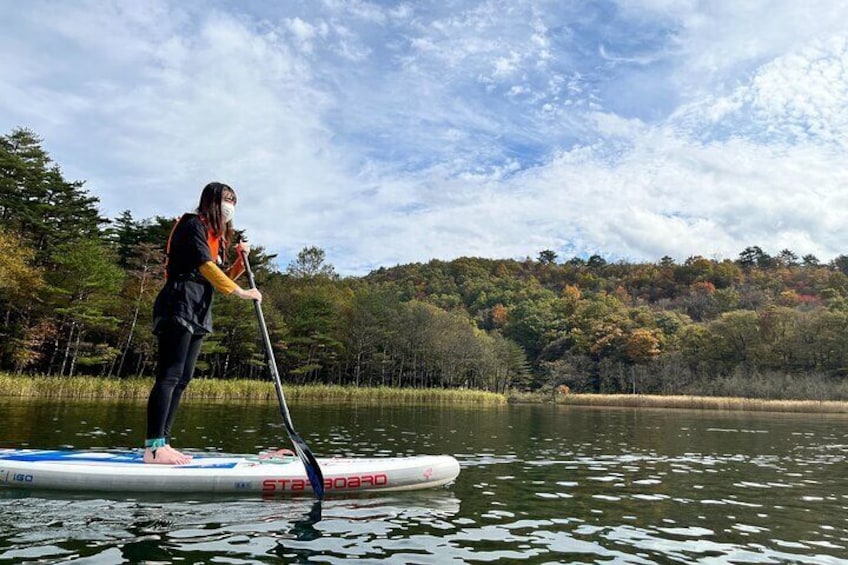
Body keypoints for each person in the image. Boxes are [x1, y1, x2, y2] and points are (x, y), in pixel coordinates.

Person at [144, 182, 262, 465]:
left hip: (199, 308)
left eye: (234, 200)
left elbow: (219, 274)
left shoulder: (216, 238)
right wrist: (242, 293)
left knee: (183, 379)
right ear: (211, 200)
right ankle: (153, 448)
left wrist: (238, 260)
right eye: (226, 198)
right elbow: (204, 267)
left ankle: (165, 443)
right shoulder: (192, 224)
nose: (230, 204)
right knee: (170, 375)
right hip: (179, 301)